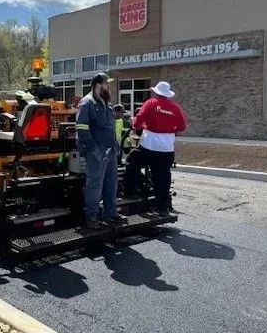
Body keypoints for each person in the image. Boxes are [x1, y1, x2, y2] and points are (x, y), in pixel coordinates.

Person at [124, 81, 186, 213]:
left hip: (149, 146)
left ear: (156, 92)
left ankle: (131, 192)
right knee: (163, 177)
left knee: (131, 161)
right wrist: (169, 129)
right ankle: (162, 207)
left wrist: (134, 124)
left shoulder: (151, 103)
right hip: (167, 149)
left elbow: (139, 121)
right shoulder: (175, 107)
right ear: (167, 94)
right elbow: (182, 127)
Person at [76, 73, 127, 229]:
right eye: (107, 84)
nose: (108, 87)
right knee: (95, 185)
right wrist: (94, 150)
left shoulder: (106, 102)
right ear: (98, 85)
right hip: (96, 152)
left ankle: (110, 214)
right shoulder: (86, 103)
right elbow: (82, 129)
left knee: (111, 182)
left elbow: (110, 126)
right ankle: (91, 217)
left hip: (110, 150)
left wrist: (116, 145)